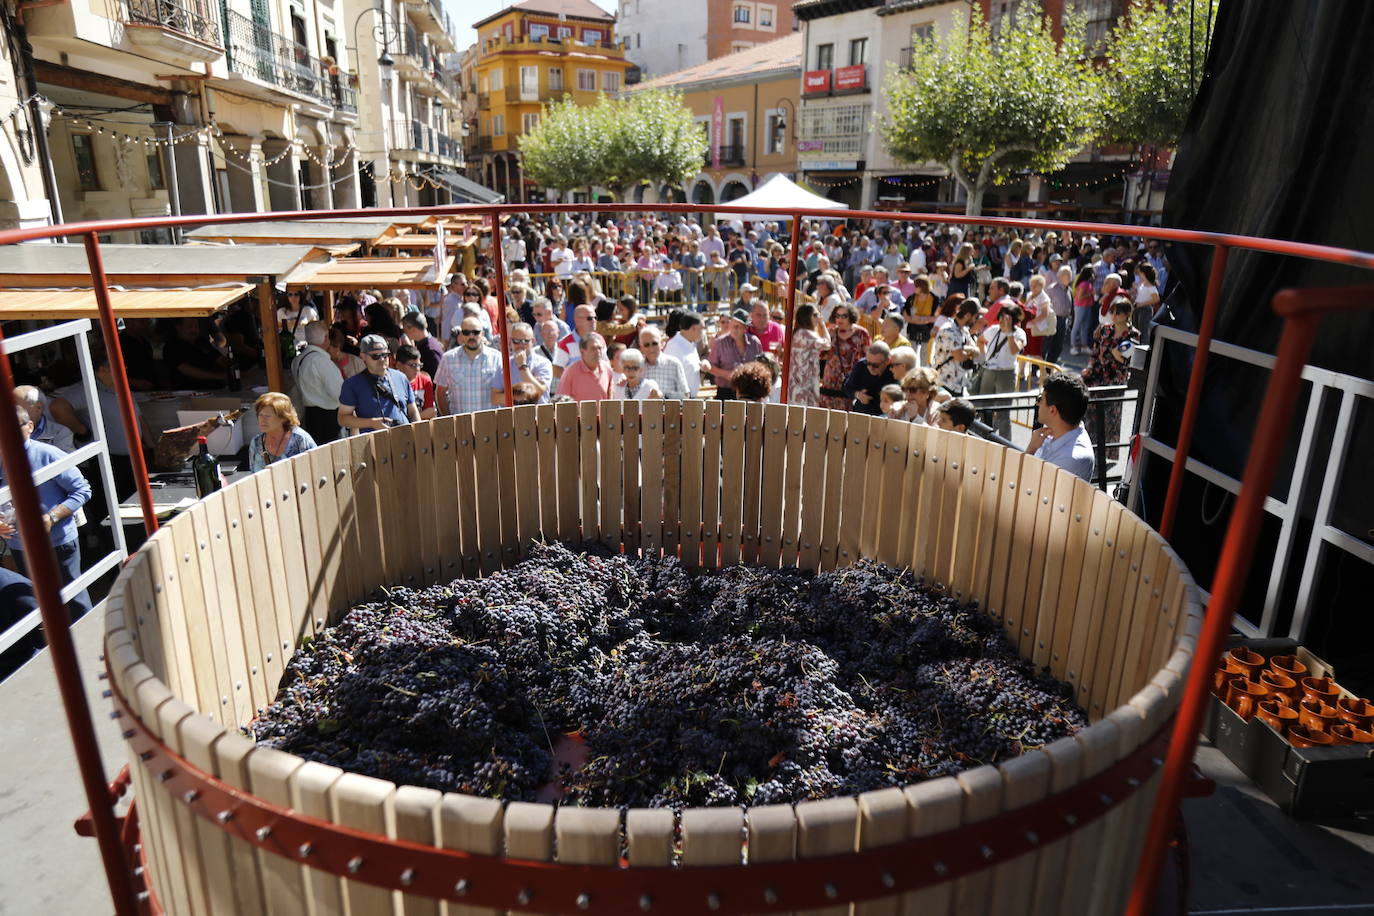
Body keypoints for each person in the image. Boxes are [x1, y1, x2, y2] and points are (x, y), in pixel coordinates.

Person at [0, 405, 92, 614]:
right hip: (20, 545)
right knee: (37, 600)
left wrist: (51, 517)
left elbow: (82, 490)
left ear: (30, 426)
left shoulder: (48, 454)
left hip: (58, 542)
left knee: (74, 598)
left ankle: (87, 642)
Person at [1081, 300, 1139, 462]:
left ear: (1127, 314)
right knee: (1090, 414)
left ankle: (1106, 454)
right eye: (1112, 312)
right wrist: (1089, 368)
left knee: (1111, 416)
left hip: (1115, 378)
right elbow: (1095, 352)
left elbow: (1125, 360)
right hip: (1096, 375)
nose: (1113, 316)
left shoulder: (1133, 334)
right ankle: (1089, 449)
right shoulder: (1104, 329)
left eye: (1117, 313)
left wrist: (1116, 353)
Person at [338, 334, 421, 432]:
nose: (382, 359)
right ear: (363, 356)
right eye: (375, 356)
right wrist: (372, 423)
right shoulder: (352, 384)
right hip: (374, 443)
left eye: (385, 355)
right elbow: (342, 419)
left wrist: (419, 434)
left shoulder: (401, 377)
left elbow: (413, 412)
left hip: (405, 439)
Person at [1027, 371, 1095, 482]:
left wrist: (1031, 450)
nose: (1037, 404)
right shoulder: (1053, 434)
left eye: (1040, 399)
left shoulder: (1070, 459)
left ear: (1052, 410)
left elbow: (1028, 486)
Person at [972, 304, 1025, 440]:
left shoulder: (1019, 333)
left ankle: (1005, 442)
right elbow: (980, 340)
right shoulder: (993, 329)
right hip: (989, 371)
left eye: (1006, 318)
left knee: (1004, 412)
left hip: (1006, 374)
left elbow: (1014, 350)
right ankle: (983, 437)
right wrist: (983, 356)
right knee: (984, 407)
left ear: (1013, 319)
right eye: (1001, 317)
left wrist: (1008, 333)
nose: (1002, 320)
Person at [434, 317, 504, 415]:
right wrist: (448, 420)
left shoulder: (497, 358)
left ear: (482, 334)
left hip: (490, 423)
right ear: (461, 335)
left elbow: (505, 392)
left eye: (475, 332)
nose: (471, 336)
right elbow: (440, 393)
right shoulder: (448, 359)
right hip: (460, 425)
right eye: (466, 332)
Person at [291, 322, 343, 444]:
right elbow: (340, 393)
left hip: (310, 416)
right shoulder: (322, 362)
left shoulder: (297, 360)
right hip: (328, 418)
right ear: (326, 339)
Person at [818, 304, 871, 411]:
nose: (840, 319)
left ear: (851, 316)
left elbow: (868, 357)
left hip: (852, 380)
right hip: (830, 380)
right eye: (837, 316)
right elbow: (821, 354)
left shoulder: (862, 333)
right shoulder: (830, 332)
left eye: (844, 316)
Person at [248, 392, 317, 472]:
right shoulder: (256, 442)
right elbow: (253, 473)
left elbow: (315, 470)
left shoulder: (300, 439)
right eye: (260, 415)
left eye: (268, 416)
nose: (262, 420)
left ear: (283, 418)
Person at [930, 299, 983, 396]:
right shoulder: (949, 330)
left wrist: (966, 349)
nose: (976, 320)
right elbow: (959, 356)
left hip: (959, 383)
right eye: (976, 317)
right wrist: (968, 351)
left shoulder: (964, 330)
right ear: (967, 315)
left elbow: (977, 351)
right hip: (945, 383)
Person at [707, 309, 763, 400]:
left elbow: (761, 366)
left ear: (745, 328)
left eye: (738, 326)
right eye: (732, 325)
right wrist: (728, 375)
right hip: (726, 391)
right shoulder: (719, 343)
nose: (734, 329)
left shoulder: (755, 342)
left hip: (750, 391)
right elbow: (710, 367)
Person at [164, 317, 229, 389]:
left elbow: (219, 359)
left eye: (196, 326)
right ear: (178, 328)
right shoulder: (172, 346)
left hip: (213, 388)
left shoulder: (201, 342)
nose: (194, 330)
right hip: (187, 391)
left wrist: (233, 367)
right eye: (190, 326)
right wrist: (218, 376)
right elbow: (186, 369)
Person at [787, 303, 831, 408]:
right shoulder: (804, 333)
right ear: (807, 317)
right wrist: (823, 325)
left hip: (803, 382)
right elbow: (827, 344)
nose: (818, 318)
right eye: (815, 315)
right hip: (802, 384)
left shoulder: (800, 332)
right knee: (802, 417)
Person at [501, 322, 553, 404]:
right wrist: (519, 399)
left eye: (525, 341)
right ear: (510, 341)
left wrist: (522, 366)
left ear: (532, 341)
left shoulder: (543, 363)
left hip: (539, 413)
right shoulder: (504, 364)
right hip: (513, 414)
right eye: (516, 341)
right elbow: (495, 397)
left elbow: (539, 391)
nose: (520, 345)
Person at [14, 386, 75, 453]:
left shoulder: (60, 433)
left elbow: (67, 461)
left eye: (17, 408)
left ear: (38, 408)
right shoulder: (5, 433)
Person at [844, 341, 897, 416]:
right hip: (861, 414)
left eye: (875, 365)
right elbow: (847, 387)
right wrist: (858, 395)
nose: (870, 368)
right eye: (868, 363)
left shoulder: (894, 371)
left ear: (887, 361)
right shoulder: (861, 365)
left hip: (886, 416)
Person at [557, 333, 615, 402]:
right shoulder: (571, 372)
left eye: (599, 348)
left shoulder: (607, 370)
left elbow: (610, 400)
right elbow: (561, 401)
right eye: (593, 348)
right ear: (582, 352)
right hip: (578, 412)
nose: (598, 352)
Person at [637, 326, 689, 400]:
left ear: (661, 343)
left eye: (654, 343)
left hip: (668, 410)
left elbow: (685, 395)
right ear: (641, 348)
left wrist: (663, 397)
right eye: (646, 345)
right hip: (643, 410)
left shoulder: (674, 364)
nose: (651, 348)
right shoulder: (636, 366)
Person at [664, 312, 708, 397]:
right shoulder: (673, 346)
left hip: (690, 399)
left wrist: (703, 368)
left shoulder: (690, 343)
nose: (703, 332)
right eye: (702, 328)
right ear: (693, 329)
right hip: (678, 402)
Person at [394, 344, 438, 419]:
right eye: (413, 365)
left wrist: (412, 419)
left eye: (419, 365)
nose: (417, 369)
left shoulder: (425, 382)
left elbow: (430, 412)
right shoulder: (392, 382)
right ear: (399, 365)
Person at [1045, 265, 1074, 365]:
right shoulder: (1052, 288)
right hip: (1052, 319)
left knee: (1058, 346)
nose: (1070, 277)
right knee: (1046, 344)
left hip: (1064, 320)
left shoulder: (1069, 290)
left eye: (1070, 274)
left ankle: (1049, 367)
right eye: (1067, 275)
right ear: (1060, 276)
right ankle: (1037, 367)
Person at [402, 312, 444, 379]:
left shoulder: (430, 350)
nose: (404, 333)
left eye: (405, 330)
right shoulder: (425, 344)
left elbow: (437, 379)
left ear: (413, 329)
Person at [1132, 262, 1162, 346]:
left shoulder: (1151, 286)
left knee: (1143, 332)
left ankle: (1143, 350)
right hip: (1138, 309)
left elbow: (1156, 299)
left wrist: (1141, 304)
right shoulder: (1143, 284)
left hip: (1145, 310)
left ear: (1144, 273)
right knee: (1136, 331)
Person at [1070, 265, 1096, 356]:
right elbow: (1080, 297)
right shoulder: (1084, 284)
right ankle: (1073, 346)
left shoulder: (1087, 283)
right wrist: (1091, 294)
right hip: (1081, 306)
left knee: (1085, 327)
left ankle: (1084, 346)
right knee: (1076, 326)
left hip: (1087, 306)